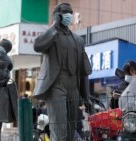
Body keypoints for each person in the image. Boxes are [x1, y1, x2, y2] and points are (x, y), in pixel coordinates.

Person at [33, 3, 92, 141]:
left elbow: (84, 70)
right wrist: (54, 25)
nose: (69, 15)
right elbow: (37, 45)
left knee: (71, 131)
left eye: (71, 12)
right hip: (56, 85)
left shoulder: (78, 40)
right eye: (65, 12)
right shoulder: (51, 36)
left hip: (73, 86)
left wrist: (86, 95)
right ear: (58, 15)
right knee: (59, 131)